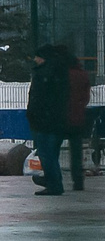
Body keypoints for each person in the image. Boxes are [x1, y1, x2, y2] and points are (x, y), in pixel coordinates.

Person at [25, 44, 67, 196]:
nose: (35, 59)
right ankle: (54, 181)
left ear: (42, 57)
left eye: (37, 56)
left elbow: (38, 99)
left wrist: (33, 115)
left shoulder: (44, 74)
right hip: (55, 120)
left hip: (45, 121)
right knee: (51, 153)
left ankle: (53, 184)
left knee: (46, 153)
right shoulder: (58, 71)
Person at [58, 47, 90, 191]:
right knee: (76, 152)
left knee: (52, 149)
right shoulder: (82, 74)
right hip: (78, 117)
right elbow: (86, 97)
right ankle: (78, 180)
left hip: (62, 117)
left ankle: (52, 177)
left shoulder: (62, 74)